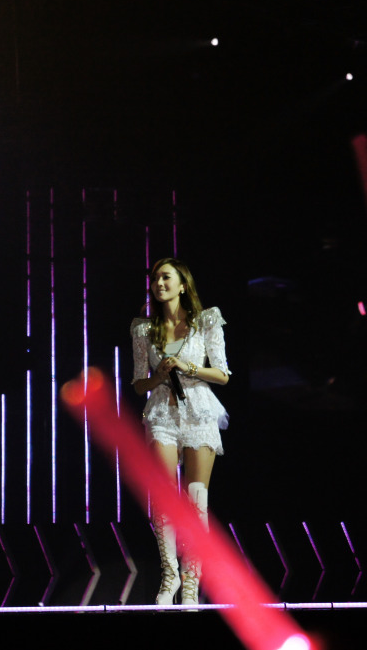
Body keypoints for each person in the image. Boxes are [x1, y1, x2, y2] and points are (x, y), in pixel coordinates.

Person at [131, 258, 230, 605]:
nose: (159, 283)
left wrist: (188, 367)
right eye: (155, 278)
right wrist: (158, 377)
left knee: (196, 496)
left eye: (166, 277)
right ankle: (169, 574)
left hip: (199, 410)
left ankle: (191, 579)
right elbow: (138, 383)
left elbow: (222, 374)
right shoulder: (145, 330)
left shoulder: (206, 321)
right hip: (162, 412)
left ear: (182, 284)